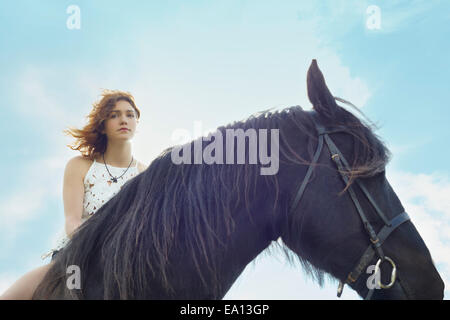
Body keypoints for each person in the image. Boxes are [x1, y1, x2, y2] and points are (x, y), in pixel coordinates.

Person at [0, 89, 148, 299]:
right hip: (75, 253)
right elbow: (72, 221)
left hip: (122, 261)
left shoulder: (145, 174)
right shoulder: (79, 166)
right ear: (103, 125)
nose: (123, 119)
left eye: (129, 114)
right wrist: (98, 247)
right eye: (114, 115)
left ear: (136, 122)